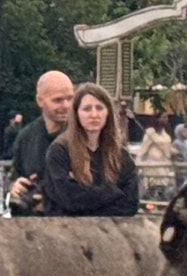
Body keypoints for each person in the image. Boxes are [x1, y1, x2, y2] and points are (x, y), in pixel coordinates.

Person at [42, 85, 140, 218]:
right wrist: (112, 192)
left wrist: (88, 201)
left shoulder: (122, 157)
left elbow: (130, 205)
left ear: (108, 113)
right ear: (76, 113)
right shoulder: (59, 151)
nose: (94, 115)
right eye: (87, 109)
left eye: (99, 108)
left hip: (112, 233)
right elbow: (69, 199)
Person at [7, 71, 76, 215]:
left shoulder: (84, 134)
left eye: (70, 98)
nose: (66, 105)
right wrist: (16, 187)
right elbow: (15, 175)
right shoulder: (25, 137)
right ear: (40, 101)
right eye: (58, 100)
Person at [136, 113, 175, 199]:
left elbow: (168, 148)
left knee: (164, 192)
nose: (166, 119)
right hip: (153, 168)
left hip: (165, 167)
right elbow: (142, 150)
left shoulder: (166, 134)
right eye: (164, 117)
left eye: (167, 117)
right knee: (155, 193)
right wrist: (138, 164)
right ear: (158, 119)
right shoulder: (150, 133)